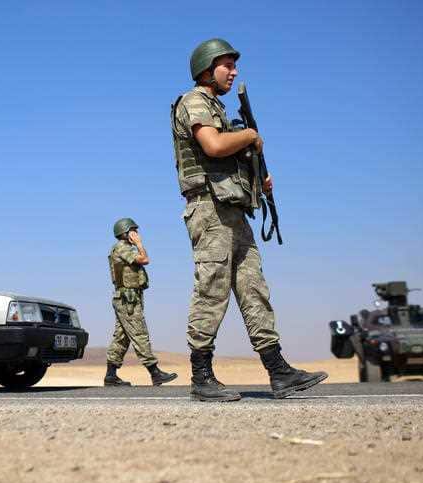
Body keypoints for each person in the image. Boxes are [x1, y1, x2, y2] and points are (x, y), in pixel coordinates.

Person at [171, 39, 327, 401]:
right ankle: (202, 376)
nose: (234, 71)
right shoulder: (194, 101)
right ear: (207, 69)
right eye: (227, 65)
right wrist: (251, 136)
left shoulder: (218, 109)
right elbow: (212, 146)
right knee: (212, 288)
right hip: (209, 211)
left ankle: (278, 370)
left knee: (253, 288)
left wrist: (257, 178)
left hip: (233, 212)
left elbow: (226, 161)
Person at [104, 218, 177, 387]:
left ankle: (110, 375)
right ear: (124, 232)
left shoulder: (124, 248)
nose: (136, 234)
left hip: (128, 297)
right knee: (139, 333)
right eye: (132, 231)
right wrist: (139, 243)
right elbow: (144, 259)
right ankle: (155, 372)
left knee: (121, 337)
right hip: (127, 299)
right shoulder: (123, 248)